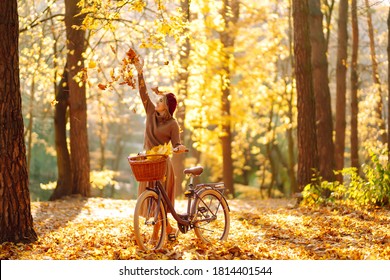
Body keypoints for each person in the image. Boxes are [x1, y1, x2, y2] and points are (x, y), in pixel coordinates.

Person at [133, 50, 187, 241]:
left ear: (167, 107)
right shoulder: (150, 113)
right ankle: (169, 229)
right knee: (151, 201)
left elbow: (177, 143)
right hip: (149, 163)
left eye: (161, 100)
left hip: (163, 165)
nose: (157, 101)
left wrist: (179, 148)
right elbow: (142, 92)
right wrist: (140, 71)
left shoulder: (173, 124)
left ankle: (157, 235)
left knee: (161, 202)